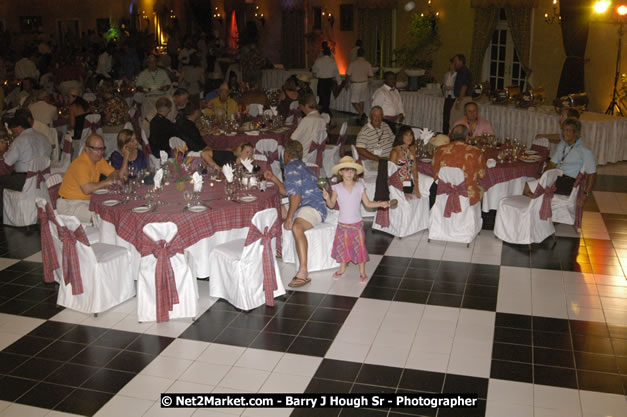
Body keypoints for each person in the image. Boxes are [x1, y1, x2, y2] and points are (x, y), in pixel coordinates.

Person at [263, 140, 327, 288]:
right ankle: (279, 247)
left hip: (313, 206)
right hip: (308, 204)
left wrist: (290, 217)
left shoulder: (291, 167)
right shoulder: (300, 166)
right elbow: (288, 191)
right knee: (274, 208)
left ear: (286, 154)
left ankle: (303, 271)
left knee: (297, 227)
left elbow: (295, 196)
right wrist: (273, 177)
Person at [322, 156, 389, 283]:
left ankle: (362, 272)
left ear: (355, 172)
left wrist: (380, 204)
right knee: (342, 247)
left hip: (357, 224)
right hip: (343, 225)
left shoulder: (360, 186)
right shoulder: (337, 188)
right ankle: (342, 269)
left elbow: (368, 203)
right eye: (346, 170)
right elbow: (331, 205)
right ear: (341, 172)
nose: (350, 173)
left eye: (352, 170)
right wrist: (327, 197)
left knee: (360, 248)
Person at [58, 134, 128, 224]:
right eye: (96, 149)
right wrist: (107, 182)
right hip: (69, 204)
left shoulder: (98, 160)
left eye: (102, 149)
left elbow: (114, 174)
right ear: (87, 149)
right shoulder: (81, 164)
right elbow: (87, 189)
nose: (100, 152)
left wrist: (113, 178)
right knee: (103, 218)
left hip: (87, 201)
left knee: (113, 209)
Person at [526, 118, 596, 204]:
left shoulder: (584, 151)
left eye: (567, 130)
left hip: (568, 183)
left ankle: (542, 204)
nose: (563, 133)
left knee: (528, 189)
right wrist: (542, 177)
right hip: (555, 177)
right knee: (526, 188)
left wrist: (586, 194)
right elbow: (552, 164)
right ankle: (542, 205)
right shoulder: (562, 145)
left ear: (576, 133)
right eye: (563, 130)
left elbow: (592, 174)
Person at [0, 115, 52, 215]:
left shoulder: (20, 140)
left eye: (13, 131)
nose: (13, 134)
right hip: (42, 179)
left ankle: (2, 216)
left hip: (24, 180)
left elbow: (7, 162)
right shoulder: (43, 137)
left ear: (19, 128)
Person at [433, 124, 486, 207]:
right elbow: (482, 175)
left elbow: (436, 174)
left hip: (444, 193)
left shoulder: (439, 150)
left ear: (451, 136)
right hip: (467, 195)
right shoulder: (476, 152)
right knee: (483, 189)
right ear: (467, 137)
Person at [136, 55, 171, 119]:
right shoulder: (143, 74)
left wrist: (165, 88)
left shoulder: (162, 72)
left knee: (162, 119)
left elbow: (168, 84)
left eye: (154, 62)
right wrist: (144, 89)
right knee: (148, 119)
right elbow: (138, 87)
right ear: (147, 63)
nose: (152, 64)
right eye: (150, 62)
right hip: (148, 99)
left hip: (161, 99)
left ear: (156, 62)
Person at [389, 126, 421, 196]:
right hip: (396, 187)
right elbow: (391, 173)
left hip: (407, 184)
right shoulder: (395, 151)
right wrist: (401, 190)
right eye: (406, 135)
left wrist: (417, 187)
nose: (409, 137)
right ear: (401, 136)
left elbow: (414, 169)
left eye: (410, 135)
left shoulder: (410, 151)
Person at [346, 48, 373, 123]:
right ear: (364, 54)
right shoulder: (367, 63)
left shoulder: (353, 63)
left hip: (356, 84)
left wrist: (346, 83)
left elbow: (348, 75)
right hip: (364, 83)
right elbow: (371, 75)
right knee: (361, 100)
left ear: (357, 54)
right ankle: (361, 115)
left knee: (354, 101)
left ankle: (362, 114)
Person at [311, 47, 339, 116]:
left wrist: (316, 74)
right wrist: (339, 82)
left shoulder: (318, 60)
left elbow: (313, 70)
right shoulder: (332, 61)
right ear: (330, 54)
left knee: (321, 97)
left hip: (321, 81)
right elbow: (336, 72)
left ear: (323, 53)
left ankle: (322, 112)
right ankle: (326, 112)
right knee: (327, 97)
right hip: (329, 81)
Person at [449, 53, 472, 125]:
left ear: (460, 61)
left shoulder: (464, 72)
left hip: (463, 99)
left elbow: (464, 86)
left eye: (455, 61)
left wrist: (459, 101)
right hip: (462, 98)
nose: (454, 63)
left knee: (457, 121)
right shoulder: (461, 71)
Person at [442, 57, 457, 133]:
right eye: (450, 64)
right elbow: (443, 85)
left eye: (452, 64)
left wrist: (451, 88)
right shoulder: (446, 74)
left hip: (453, 98)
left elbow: (458, 87)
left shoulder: (457, 75)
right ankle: (445, 132)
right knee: (446, 116)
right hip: (447, 97)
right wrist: (445, 88)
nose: (451, 66)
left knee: (452, 116)